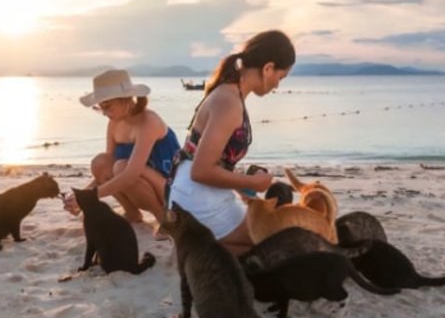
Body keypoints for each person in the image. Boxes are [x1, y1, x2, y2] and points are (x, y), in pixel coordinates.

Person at [167, 30, 296, 256]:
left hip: (198, 191)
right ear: (268, 69)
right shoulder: (229, 103)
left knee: (267, 241)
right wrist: (252, 183)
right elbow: (201, 171)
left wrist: (241, 188)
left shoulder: (231, 93)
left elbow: (214, 162)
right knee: (272, 243)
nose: (277, 86)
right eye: (281, 77)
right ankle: (200, 247)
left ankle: (204, 247)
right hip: (196, 197)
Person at [63, 69, 181, 231]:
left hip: (171, 187)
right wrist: (81, 196)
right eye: (101, 107)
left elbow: (130, 174)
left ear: (126, 99)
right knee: (101, 162)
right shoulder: (114, 123)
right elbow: (104, 172)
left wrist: (88, 198)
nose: (104, 112)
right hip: (138, 181)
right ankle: (132, 213)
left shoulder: (149, 121)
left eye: (108, 106)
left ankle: (163, 218)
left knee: (121, 167)